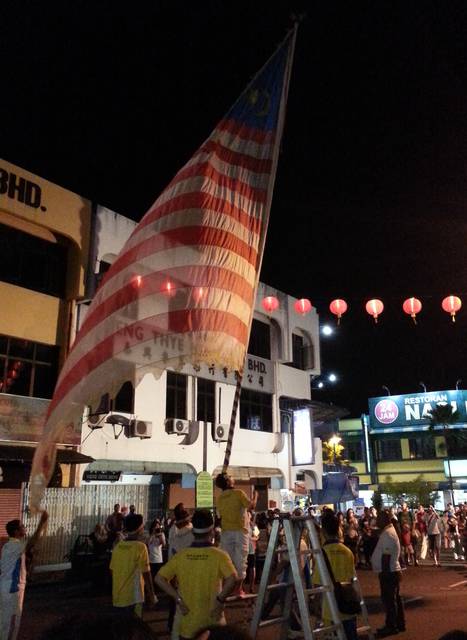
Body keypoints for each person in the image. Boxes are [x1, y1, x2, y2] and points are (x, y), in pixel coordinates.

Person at [155, 509, 238, 640]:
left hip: (188, 623)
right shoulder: (220, 555)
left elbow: (159, 578)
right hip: (213, 624)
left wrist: (178, 599)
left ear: (193, 531)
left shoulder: (182, 555)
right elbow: (233, 578)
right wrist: (220, 600)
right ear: (211, 531)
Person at [0, 510, 48, 640]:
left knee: (8, 622)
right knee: (10, 623)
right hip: (12, 588)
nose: (24, 528)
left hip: (10, 586)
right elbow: (32, 542)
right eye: (22, 526)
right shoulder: (14, 546)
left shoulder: (9, 546)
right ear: (16, 532)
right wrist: (42, 523)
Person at [313, 509, 357, 640]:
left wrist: (316, 606)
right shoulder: (347, 551)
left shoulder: (322, 553)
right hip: (348, 603)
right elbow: (351, 577)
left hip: (330, 607)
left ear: (324, 532)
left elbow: (318, 585)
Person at [215, 473, 258, 594]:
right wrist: (255, 496)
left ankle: (226, 589)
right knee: (241, 561)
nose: (233, 478)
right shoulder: (239, 493)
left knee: (227, 561)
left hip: (226, 532)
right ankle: (238, 590)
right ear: (228, 482)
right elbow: (251, 506)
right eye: (230, 477)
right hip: (240, 531)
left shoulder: (220, 498)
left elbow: (219, 517)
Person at [109, 513, 157, 617]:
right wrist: (152, 595)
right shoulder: (140, 547)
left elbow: (112, 571)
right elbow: (146, 573)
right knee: (134, 629)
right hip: (134, 597)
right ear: (139, 528)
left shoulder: (118, 547)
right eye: (142, 525)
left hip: (118, 596)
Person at [371, 509, 405, 638]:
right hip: (391, 570)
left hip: (389, 572)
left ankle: (391, 626)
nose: (377, 521)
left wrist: (384, 573)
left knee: (389, 600)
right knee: (395, 598)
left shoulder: (388, 534)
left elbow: (386, 556)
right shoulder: (388, 532)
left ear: (385, 520)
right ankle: (399, 623)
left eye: (379, 519)